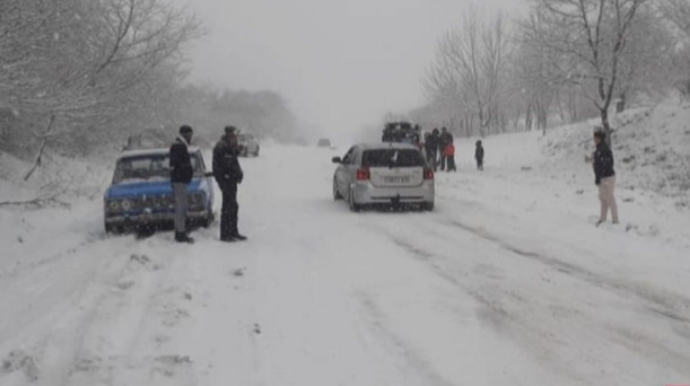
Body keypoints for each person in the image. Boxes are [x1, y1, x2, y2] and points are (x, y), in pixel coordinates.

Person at [213, 126, 247, 242]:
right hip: (226, 181)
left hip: (231, 181)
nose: (235, 138)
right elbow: (225, 166)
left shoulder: (228, 146)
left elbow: (232, 159)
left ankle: (233, 231)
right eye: (234, 136)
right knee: (227, 207)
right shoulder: (222, 147)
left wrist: (237, 149)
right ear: (229, 135)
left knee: (233, 206)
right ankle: (225, 234)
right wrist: (224, 179)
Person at [169, 125, 195, 243]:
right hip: (180, 181)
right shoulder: (179, 146)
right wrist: (187, 173)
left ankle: (181, 230)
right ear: (185, 135)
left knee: (181, 206)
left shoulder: (179, 145)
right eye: (189, 135)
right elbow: (181, 165)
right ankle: (180, 233)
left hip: (179, 180)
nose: (191, 137)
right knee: (181, 207)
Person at [593, 130, 619, 226]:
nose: (594, 140)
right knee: (603, 198)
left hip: (607, 177)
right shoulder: (601, 149)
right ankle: (602, 218)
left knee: (609, 198)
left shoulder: (602, 150)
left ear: (599, 138)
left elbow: (603, 164)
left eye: (595, 138)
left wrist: (599, 176)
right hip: (604, 176)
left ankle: (615, 220)